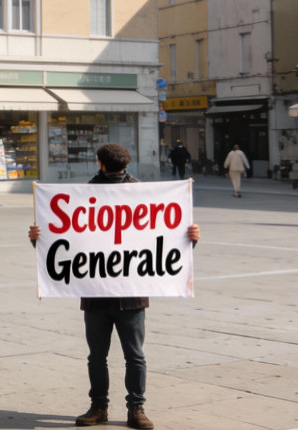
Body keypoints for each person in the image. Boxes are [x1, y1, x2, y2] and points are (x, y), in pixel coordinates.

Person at [28, 143, 200, 429]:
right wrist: (192, 237)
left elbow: (65, 245)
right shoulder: (93, 195)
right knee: (128, 356)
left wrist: (36, 237)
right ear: (123, 163)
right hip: (113, 294)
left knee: (105, 356)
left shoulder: (107, 195)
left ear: (100, 163)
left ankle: (112, 407)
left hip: (117, 293)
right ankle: (127, 409)